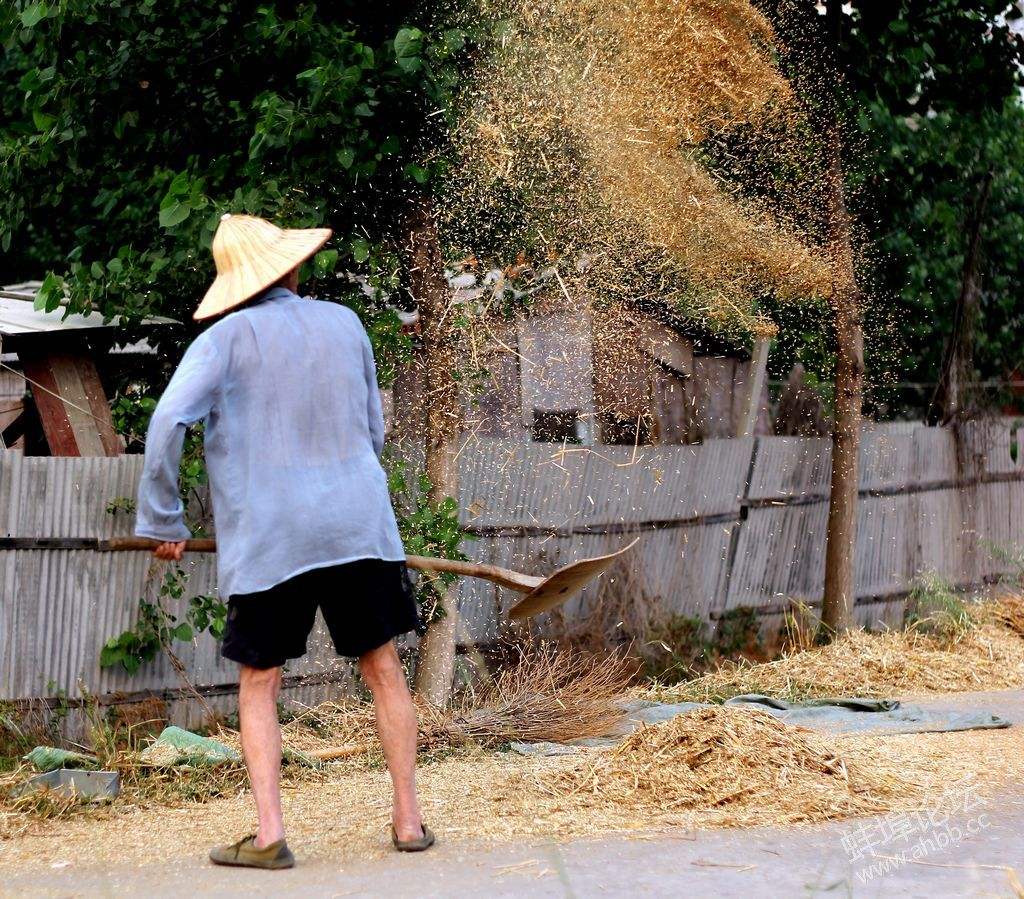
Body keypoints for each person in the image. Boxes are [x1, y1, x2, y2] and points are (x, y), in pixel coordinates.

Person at [135, 213, 434, 869]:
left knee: (259, 681)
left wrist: (163, 520)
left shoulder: (223, 340)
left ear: (236, 285)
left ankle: (270, 836)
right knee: (383, 665)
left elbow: (168, 421)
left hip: (273, 536)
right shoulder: (346, 324)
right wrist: (347, 489)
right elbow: (373, 429)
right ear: (292, 268)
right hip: (358, 525)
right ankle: (409, 820)